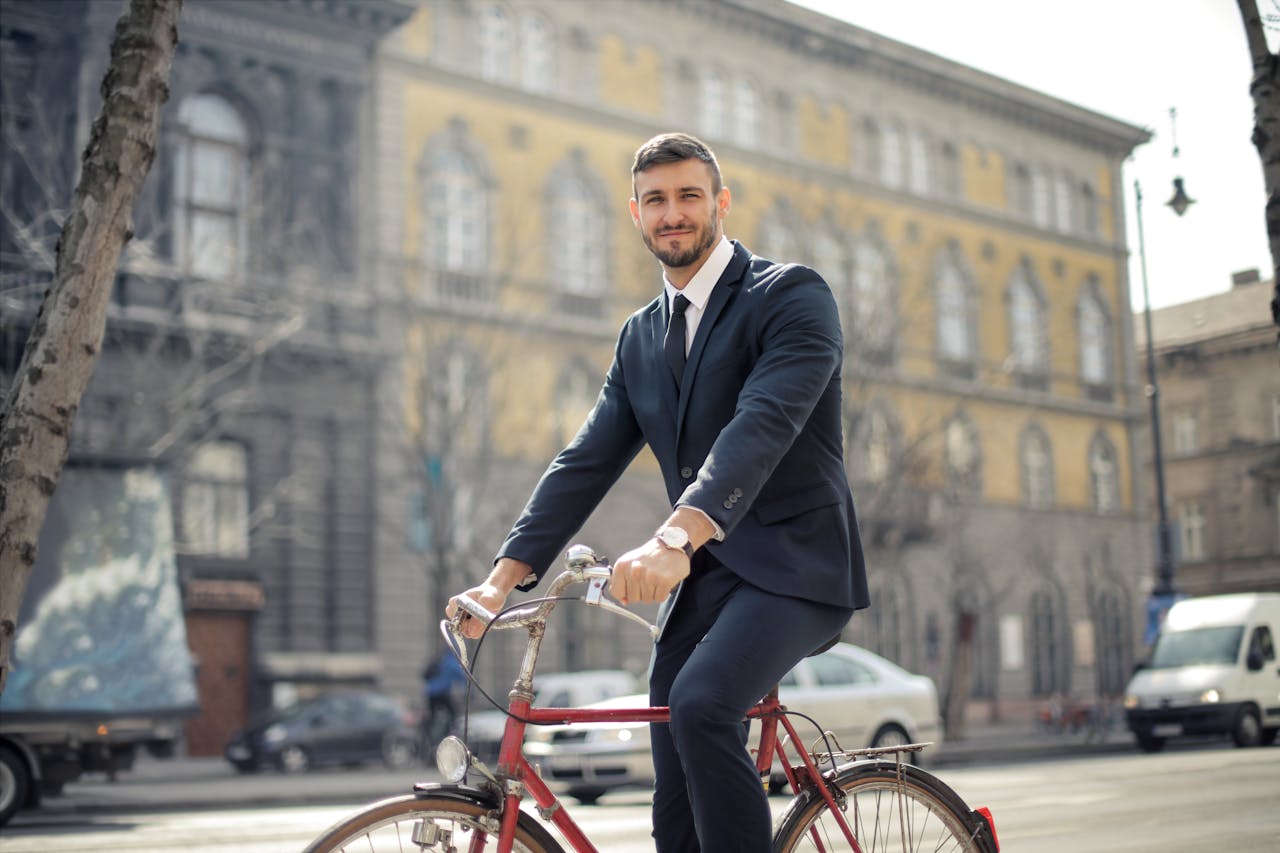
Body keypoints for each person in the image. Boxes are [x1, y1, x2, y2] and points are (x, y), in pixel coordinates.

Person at [446, 132, 869, 853]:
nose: (672, 213)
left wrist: (675, 537)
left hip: (800, 567)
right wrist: (500, 581)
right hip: (712, 578)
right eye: (655, 201)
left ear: (720, 203)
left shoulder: (791, 296)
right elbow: (586, 459)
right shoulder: (640, 336)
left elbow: (760, 424)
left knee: (701, 705)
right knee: (668, 735)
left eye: (688, 196)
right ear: (635, 214)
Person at [421, 647, 467, 749]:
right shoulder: (452, 662)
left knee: (432, 717)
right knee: (453, 715)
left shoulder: (442, 660)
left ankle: (428, 738)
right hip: (441, 693)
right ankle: (447, 735)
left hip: (430, 693)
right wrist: (470, 692)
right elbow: (462, 677)